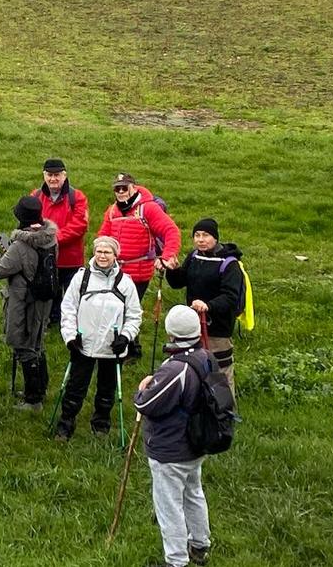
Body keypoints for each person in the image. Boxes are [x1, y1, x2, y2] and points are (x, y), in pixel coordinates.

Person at [133, 306, 214, 567]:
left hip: (171, 449)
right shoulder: (205, 357)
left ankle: (176, 560)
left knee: (169, 508)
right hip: (196, 444)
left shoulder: (176, 368)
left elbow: (146, 405)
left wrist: (142, 389)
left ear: (170, 333)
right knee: (193, 493)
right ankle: (200, 545)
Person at [55, 236, 142, 440]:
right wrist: (70, 337)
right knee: (75, 387)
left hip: (113, 348)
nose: (102, 256)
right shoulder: (81, 278)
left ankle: (101, 423)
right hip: (82, 345)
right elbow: (67, 308)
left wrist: (126, 337)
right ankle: (66, 423)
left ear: (115, 255)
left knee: (107, 388)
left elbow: (135, 315)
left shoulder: (126, 283)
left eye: (107, 252)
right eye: (99, 252)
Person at [0, 196, 57, 410]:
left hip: (24, 302)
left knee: (24, 347)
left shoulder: (19, 246)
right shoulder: (50, 237)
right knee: (38, 343)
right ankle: (40, 389)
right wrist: (8, 243)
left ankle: (33, 400)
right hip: (44, 301)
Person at [97, 172, 181, 359]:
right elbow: (102, 237)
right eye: (117, 189)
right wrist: (100, 255)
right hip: (115, 270)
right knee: (117, 309)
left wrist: (167, 256)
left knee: (127, 310)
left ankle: (130, 350)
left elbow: (170, 231)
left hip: (138, 272)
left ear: (133, 188)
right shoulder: (112, 211)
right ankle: (131, 347)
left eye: (124, 188)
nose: (120, 192)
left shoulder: (148, 209)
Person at [163, 218, 245, 398]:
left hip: (218, 329)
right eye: (197, 235)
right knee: (195, 368)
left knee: (220, 372)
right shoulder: (194, 257)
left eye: (206, 235)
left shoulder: (229, 264)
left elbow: (231, 297)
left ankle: (224, 415)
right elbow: (179, 283)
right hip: (194, 326)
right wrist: (172, 270)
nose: (200, 239)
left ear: (215, 238)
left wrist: (208, 306)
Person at [31, 159, 89, 326]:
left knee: (73, 294)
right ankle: (52, 321)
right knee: (50, 291)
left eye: (57, 175)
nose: (53, 179)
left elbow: (80, 225)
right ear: (44, 175)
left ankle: (72, 324)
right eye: (49, 175)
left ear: (64, 175)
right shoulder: (35, 196)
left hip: (70, 259)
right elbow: (30, 220)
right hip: (46, 257)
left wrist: (52, 239)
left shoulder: (77, 197)